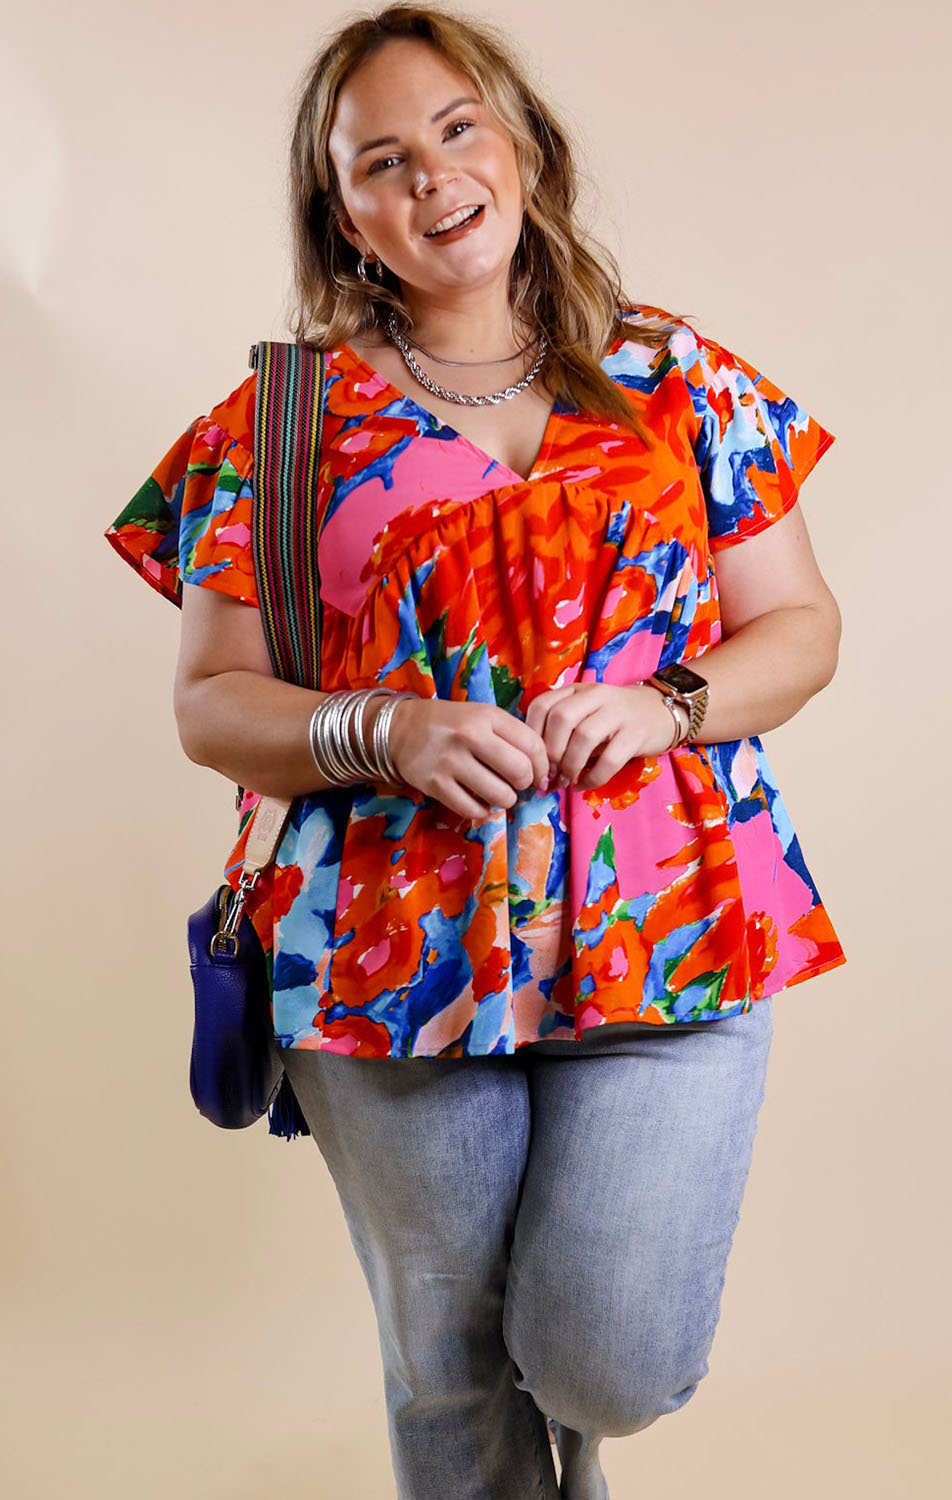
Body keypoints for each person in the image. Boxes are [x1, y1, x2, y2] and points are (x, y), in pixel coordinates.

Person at [103, 5, 847, 1496]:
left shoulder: (675, 376)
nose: (432, 178)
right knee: (448, 1370)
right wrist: (378, 726)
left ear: (520, 146)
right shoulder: (277, 423)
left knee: (601, 1360)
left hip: (669, 928)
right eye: (380, 160)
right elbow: (209, 701)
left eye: (456, 130)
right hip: (390, 950)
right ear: (343, 217)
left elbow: (800, 626)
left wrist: (670, 702)